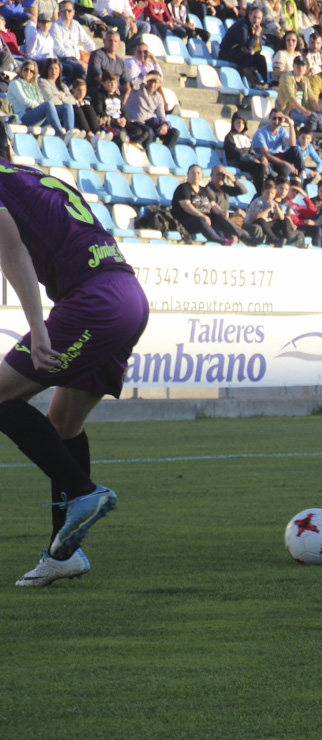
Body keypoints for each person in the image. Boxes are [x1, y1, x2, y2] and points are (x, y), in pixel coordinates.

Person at [0, 162, 149, 587]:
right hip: (129, 296)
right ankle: (61, 554)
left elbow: (12, 250)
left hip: (93, 302)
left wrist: (38, 324)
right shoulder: (38, 178)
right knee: (63, 424)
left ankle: (81, 489)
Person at [172, 164, 242, 243]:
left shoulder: (204, 190)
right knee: (202, 221)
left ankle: (228, 241)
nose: (196, 175)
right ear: (188, 175)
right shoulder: (183, 188)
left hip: (205, 221)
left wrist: (221, 211)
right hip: (186, 221)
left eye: (198, 173)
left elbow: (213, 205)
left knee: (220, 229)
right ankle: (221, 241)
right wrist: (201, 215)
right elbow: (186, 205)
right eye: (193, 173)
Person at [252, 109, 303, 186]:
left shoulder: (281, 130)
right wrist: (287, 164)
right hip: (267, 159)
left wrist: (291, 125)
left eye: (279, 119)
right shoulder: (260, 133)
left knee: (295, 150)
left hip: (279, 156)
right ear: (269, 118)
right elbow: (267, 155)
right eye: (274, 118)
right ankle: (281, 189)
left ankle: (302, 175)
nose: (276, 121)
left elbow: (292, 144)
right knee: (284, 169)